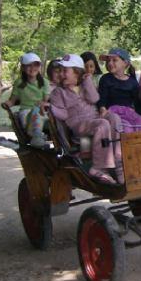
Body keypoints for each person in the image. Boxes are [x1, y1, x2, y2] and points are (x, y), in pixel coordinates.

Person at [49, 54, 124, 185]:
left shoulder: (84, 86)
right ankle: (99, 168)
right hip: (79, 125)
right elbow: (63, 116)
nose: (61, 74)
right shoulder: (58, 92)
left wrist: (87, 81)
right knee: (102, 124)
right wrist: (51, 107)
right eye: (60, 70)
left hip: (94, 120)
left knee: (114, 118)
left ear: (77, 73)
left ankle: (119, 163)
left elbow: (94, 99)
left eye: (65, 70)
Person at [4, 52, 49, 148]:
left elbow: (46, 101)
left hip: (41, 112)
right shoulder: (19, 83)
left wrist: (42, 105)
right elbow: (12, 101)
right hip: (25, 112)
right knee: (34, 112)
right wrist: (7, 104)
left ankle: (39, 137)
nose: (32, 68)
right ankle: (37, 137)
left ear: (39, 66)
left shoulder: (44, 82)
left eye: (36, 65)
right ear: (23, 68)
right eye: (29, 65)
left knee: (38, 111)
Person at [98, 48, 141, 132]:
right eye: (108, 61)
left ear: (125, 63)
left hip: (128, 112)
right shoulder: (106, 79)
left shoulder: (132, 81)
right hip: (112, 113)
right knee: (126, 128)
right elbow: (102, 99)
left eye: (114, 60)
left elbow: (138, 103)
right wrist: (102, 110)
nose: (110, 63)